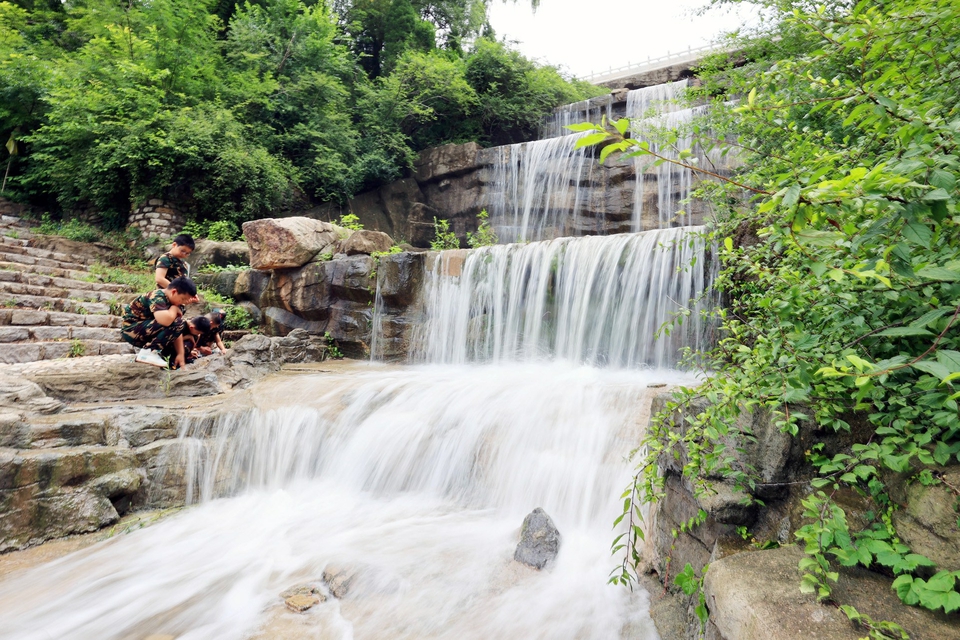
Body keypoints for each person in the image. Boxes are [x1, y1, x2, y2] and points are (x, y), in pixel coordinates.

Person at [121, 277, 199, 368]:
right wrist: (174, 308)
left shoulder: (174, 301)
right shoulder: (158, 296)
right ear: (174, 292)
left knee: (189, 332)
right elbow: (165, 321)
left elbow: (177, 330)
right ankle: (148, 352)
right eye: (183, 299)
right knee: (178, 321)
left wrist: (180, 353)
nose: (184, 302)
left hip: (151, 331)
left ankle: (171, 360)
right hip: (132, 330)